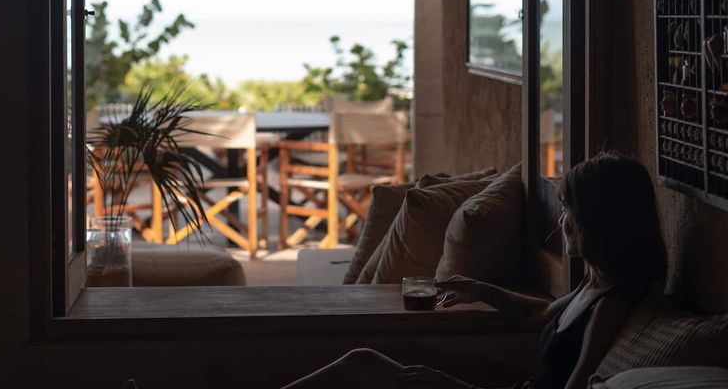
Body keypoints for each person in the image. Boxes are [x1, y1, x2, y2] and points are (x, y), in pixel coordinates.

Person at [281, 153, 667, 389]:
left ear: (599, 223)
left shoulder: (612, 306)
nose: (561, 221)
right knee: (378, 357)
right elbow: (542, 312)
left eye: (571, 212)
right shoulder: (595, 284)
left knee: (365, 364)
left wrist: (456, 385)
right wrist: (481, 290)